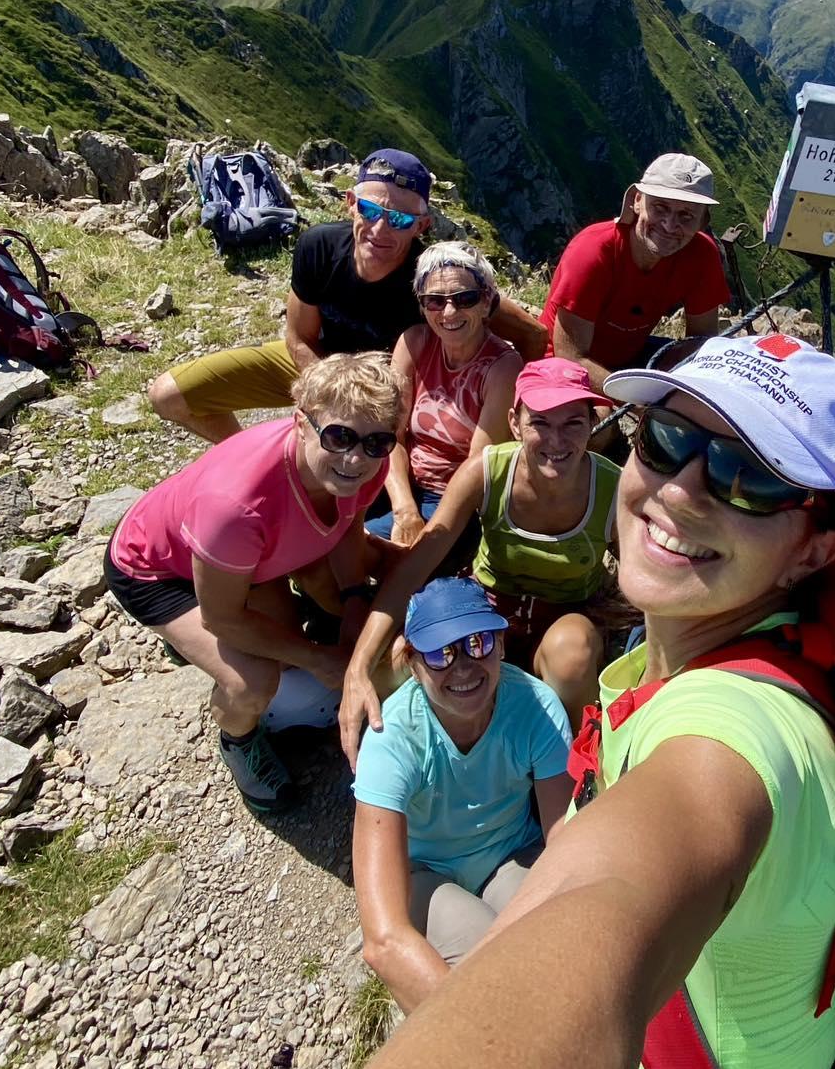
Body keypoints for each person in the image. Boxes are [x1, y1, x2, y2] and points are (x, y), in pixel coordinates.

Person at [37, 333, 835, 1069]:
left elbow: (599, 908)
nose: (679, 488)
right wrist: (355, 660)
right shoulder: (686, 673)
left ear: (812, 550)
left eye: (749, 476)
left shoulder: (730, 744)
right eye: (668, 439)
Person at [106, 351, 403, 817]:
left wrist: (352, 599)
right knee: (254, 681)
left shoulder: (364, 462)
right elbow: (223, 618)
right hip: (157, 569)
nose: (354, 458)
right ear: (301, 422)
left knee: (287, 646)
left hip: (246, 561)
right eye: (339, 436)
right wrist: (319, 658)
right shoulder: (237, 506)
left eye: (376, 442)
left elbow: (347, 528)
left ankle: (197, 637)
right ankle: (238, 740)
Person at [340, 355, 621, 748]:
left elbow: (646, 582)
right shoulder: (486, 471)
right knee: (397, 663)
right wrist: (359, 664)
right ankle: (426, 751)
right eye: (540, 423)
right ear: (514, 423)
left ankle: (579, 759)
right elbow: (415, 566)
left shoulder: (613, 489)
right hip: (487, 609)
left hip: (564, 616)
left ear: (593, 424)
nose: (556, 441)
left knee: (572, 653)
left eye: (573, 423)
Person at [351, 578, 572, 1014]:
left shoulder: (537, 708)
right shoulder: (392, 737)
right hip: (426, 874)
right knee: (492, 979)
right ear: (413, 665)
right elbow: (383, 938)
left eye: (477, 643)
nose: (465, 667)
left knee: (549, 948)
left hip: (511, 854)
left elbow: (566, 845)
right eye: (440, 654)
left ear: (501, 645)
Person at [148, 147, 435, 443]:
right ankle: (253, 458)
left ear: (421, 225)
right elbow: (299, 339)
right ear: (351, 204)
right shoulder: (319, 247)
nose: (380, 228)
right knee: (168, 396)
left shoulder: (431, 281)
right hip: (318, 359)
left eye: (400, 220)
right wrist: (330, 393)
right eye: (370, 210)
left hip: (387, 386)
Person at [368, 240, 520, 545]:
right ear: (422, 306)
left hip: (452, 499)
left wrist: (423, 523)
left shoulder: (503, 367)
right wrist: (404, 509)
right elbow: (390, 435)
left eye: (465, 298)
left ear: (486, 301)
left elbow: (478, 469)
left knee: (369, 548)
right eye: (435, 301)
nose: (449, 312)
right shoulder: (414, 344)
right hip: (398, 482)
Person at [540, 151, 731, 391]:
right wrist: (640, 401)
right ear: (637, 201)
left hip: (629, 358)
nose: (670, 225)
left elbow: (701, 343)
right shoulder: (593, 251)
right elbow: (571, 357)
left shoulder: (702, 255)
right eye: (660, 207)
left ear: (702, 222)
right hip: (559, 368)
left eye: (686, 215)